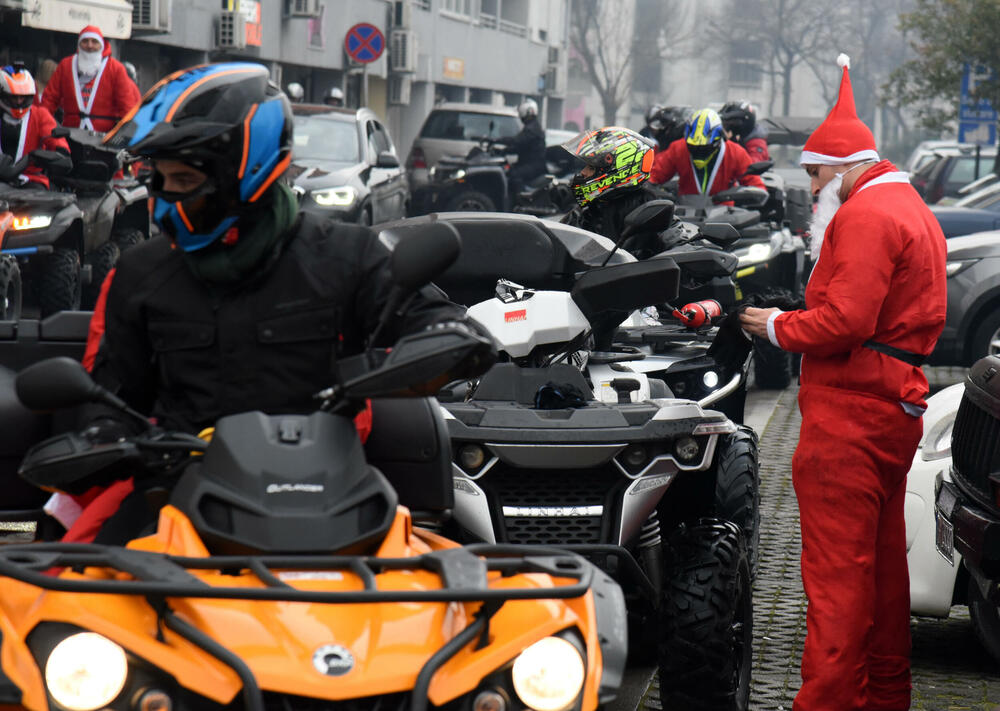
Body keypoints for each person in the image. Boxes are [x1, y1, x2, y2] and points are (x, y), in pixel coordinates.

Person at [57, 63, 493, 545]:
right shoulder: (139, 274)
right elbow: (111, 399)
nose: (163, 201)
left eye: (183, 180)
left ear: (245, 171)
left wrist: (441, 343)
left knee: (470, 598)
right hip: (180, 499)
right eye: (158, 180)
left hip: (337, 497)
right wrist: (105, 438)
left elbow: (439, 325)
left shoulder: (346, 255)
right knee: (58, 593)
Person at [738, 54, 947, 711]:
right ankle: (886, 696)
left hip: (848, 413)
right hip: (895, 405)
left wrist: (775, 325)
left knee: (835, 577)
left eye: (814, 173)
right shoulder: (913, 208)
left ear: (839, 168)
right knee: (883, 574)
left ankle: (825, 701)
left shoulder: (863, 216)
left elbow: (845, 318)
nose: (811, 185)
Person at [559, 126, 657, 243]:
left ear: (619, 169)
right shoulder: (589, 211)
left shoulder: (651, 214)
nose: (583, 172)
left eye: (591, 167)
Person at [41, 25, 140, 132]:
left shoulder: (116, 69)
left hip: (103, 135)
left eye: (94, 42)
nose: (90, 45)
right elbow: (49, 99)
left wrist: (124, 134)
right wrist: (45, 126)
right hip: (70, 131)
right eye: (85, 41)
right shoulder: (66, 65)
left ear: (101, 45)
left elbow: (127, 106)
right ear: (79, 44)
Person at [649, 107, 765, 195]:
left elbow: (756, 186)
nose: (699, 151)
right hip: (683, 215)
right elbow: (655, 175)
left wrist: (747, 195)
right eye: (694, 147)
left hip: (727, 217)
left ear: (718, 141)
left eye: (705, 148)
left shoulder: (736, 153)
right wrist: (646, 187)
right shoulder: (678, 148)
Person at [0, 65, 70, 189]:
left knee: (40, 201)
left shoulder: (40, 115)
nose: (19, 102)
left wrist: (58, 154)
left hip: (30, 179)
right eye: (14, 97)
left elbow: (58, 143)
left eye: (23, 97)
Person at [497, 98, 546, 197]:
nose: (521, 118)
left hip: (534, 164)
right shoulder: (530, 127)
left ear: (529, 112)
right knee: (509, 170)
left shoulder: (532, 128)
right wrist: (503, 151)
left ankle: (522, 199)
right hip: (528, 163)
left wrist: (497, 140)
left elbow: (517, 141)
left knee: (514, 175)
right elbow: (520, 147)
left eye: (523, 115)